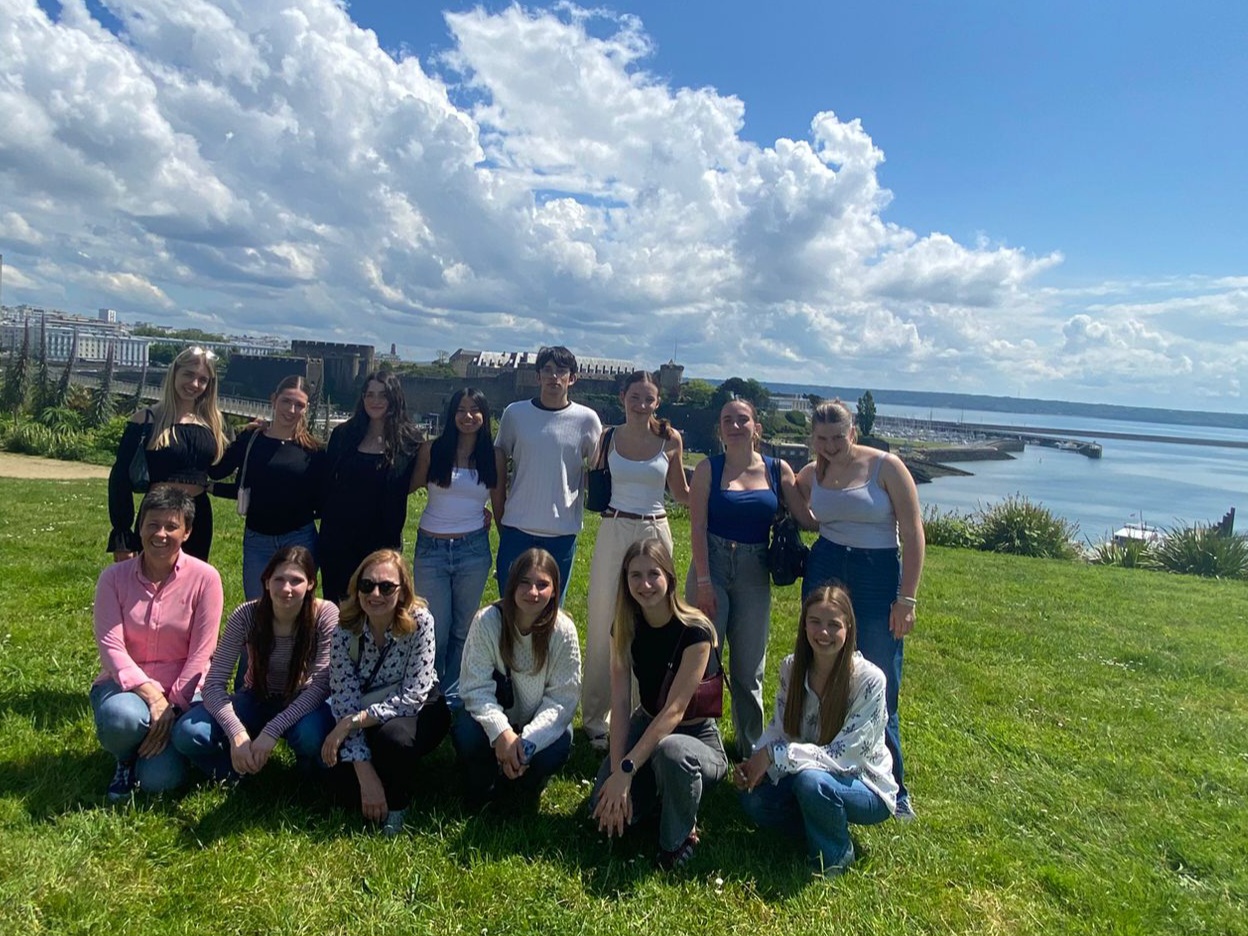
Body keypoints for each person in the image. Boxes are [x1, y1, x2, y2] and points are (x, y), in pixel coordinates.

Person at [796, 399, 925, 821]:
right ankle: (818, 761)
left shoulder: (886, 467)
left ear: (853, 432)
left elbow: (913, 532)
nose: (831, 446)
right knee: (820, 665)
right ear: (813, 438)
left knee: (882, 678)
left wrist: (906, 599)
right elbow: (802, 509)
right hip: (827, 565)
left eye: (838, 437)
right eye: (822, 438)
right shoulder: (813, 473)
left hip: (876, 574)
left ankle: (894, 787)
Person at [736, 585, 897, 875]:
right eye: (815, 622)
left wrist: (774, 755)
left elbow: (845, 756)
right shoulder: (792, 668)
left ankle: (835, 856)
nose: (823, 632)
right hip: (805, 772)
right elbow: (780, 728)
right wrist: (755, 763)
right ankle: (818, 824)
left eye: (834, 624)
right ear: (804, 625)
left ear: (849, 627)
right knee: (753, 800)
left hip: (863, 783)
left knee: (812, 783)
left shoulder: (870, 680)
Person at [684, 397, 813, 757]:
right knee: (703, 659)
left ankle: (749, 748)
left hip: (754, 569)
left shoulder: (777, 470)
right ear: (720, 429)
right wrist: (704, 582)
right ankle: (700, 743)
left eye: (743, 420)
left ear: (757, 428)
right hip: (711, 564)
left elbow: (807, 518)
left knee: (749, 667)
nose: (735, 426)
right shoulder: (709, 469)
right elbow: (697, 526)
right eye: (728, 420)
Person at [590, 538, 728, 871]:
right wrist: (617, 770)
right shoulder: (624, 626)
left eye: (654, 574)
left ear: (670, 577)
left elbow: (674, 712)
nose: (645, 584)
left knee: (672, 752)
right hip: (646, 722)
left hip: (694, 736)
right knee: (600, 808)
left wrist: (627, 769)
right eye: (635, 576)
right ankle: (663, 795)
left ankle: (677, 839)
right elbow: (620, 703)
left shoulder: (696, 631)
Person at [90, 485, 223, 801]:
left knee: (159, 782)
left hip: (184, 692)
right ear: (140, 528)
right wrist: (152, 697)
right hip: (126, 689)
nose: (160, 534)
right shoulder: (113, 578)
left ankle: (160, 745)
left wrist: (172, 706)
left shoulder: (206, 578)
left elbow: (202, 652)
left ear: (187, 532)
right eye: (152, 524)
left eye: (171, 526)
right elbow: (111, 647)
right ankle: (125, 758)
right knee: (121, 717)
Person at [582, 370, 690, 750]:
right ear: (623, 398)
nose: (642, 405)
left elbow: (681, 492)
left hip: (655, 529)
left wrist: (718, 496)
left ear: (658, 401)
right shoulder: (607, 437)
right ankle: (595, 718)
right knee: (603, 619)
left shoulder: (670, 439)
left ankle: (641, 711)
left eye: (649, 398)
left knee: (652, 619)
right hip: (615, 527)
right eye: (635, 397)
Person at [173, 547, 336, 781]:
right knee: (187, 733)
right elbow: (214, 684)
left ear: (311, 584)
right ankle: (239, 770)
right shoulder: (247, 615)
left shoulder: (325, 614)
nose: (286, 588)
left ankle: (304, 771)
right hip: (256, 697)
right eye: (278, 579)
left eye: (296, 581)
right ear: (266, 582)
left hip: (304, 699)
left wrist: (272, 730)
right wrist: (236, 732)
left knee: (310, 736)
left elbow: (321, 686)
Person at [321, 550, 450, 835]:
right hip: (363, 709)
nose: (375, 594)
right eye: (367, 585)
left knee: (393, 740)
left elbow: (412, 696)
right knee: (338, 783)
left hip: (418, 707)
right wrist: (363, 768)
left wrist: (352, 723)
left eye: (387, 587)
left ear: (403, 591)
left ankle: (397, 804)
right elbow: (344, 699)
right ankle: (375, 780)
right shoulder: (343, 630)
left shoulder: (420, 622)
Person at [452, 549, 580, 811]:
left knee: (560, 743)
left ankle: (523, 780)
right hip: (495, 720)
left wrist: (524, 744)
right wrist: (502, 733)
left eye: (542, 585)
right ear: (511, 585)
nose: (533, 592)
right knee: (466, 732)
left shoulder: (564, 631)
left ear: (554, 591)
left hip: (536, 721)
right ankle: (485, 774)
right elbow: (475, 688)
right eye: (525, 582)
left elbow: (561, 701)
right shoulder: (487, 622)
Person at [410, 388, 506, 704]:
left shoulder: (494, 457)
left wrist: (508, 549)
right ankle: (427, 689)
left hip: (472, 551)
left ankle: (451, 695)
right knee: (432, 626)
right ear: (452, 414)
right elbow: (404, 486)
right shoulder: (432, 450)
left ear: (484, 416)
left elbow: (500, 506)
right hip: (431, 550)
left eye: (474, 410)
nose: (467, 416)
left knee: (464, 628)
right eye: (461, 410)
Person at [493, 346, 601, 600]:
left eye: (561, 371)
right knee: (511, 607)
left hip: (561, 533)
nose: (554, 377)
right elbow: (498, 463)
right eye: (548, 370)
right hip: (517, 528)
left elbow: (598, 470)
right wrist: (501, 515)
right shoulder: (515, 414)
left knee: (551, 611)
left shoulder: (587, 420)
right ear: (537, 376)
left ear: (572, 378)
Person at [107, 346, 229, 562]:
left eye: (202, 379)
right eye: (188, 375)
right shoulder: (146, 419)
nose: (194, 384)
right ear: (175, 373)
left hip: (198, 515)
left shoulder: (212, 422)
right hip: (158, 512)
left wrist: (251, 436)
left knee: (192, 579)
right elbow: (120, 479)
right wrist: (122, 535)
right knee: (150, 578)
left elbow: (218, 470)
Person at [209, 375, 324, 600]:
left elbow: (319, 500)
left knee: (295, 606)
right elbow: (219, 472)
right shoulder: (252, 440)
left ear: (306, 409)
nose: (291, 410)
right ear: (273, 400)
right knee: (257, 605)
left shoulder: (314, 451)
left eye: (299, 405)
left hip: (299, 538)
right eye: (286, 401)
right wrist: (210, 487)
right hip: (258, 539)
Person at [318, 371, 422, 604]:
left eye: (383, 395)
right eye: (370, 394)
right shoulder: (343, 435)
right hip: (339, 541)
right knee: (340, 610)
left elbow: (428, 478)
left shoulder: (410, 442)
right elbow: (326, 481)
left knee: (379, 609)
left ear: (394, 398)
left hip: (383, 541)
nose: (375, 401)